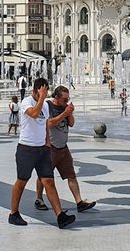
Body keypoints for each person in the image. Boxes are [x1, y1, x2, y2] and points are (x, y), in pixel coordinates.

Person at [8, 78, 75, 229]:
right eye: (43, 91)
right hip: (26, 149)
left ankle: (60, 216)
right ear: (36, 90)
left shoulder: (44, 105)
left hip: (43, 150)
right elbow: (34, 114)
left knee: (49, 182)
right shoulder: (26, 102)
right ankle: (14, 213)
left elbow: (45, 124)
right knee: (22, 181)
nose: (45, 94)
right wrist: (42, 98)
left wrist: (47, 143)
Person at [33, 86, 96, 215]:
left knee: (71, 175)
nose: (66, 102)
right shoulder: (47, 106)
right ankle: (39, 199)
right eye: (64, 99)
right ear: (56, 97)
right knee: (44, 176)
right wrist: (65, 113)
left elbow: (71, 124)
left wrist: (70, 113)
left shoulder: (64, 108)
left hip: (63, 148)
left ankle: (79, 202)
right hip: (50, 148)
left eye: (68, 99)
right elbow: (49, 123)